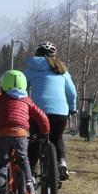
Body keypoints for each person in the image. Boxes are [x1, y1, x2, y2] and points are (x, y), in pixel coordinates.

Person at [0, 70, 50, 194]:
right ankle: (30, 185)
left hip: (3, 134)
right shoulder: (27, 101)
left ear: (4, 86)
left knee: (1, 165)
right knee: (23, 159)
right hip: (21, 134)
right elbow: (42, 117)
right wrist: (45, 132)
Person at [24, 41, 77, 180]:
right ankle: (61, 162)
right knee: (56, 137)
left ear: (37, 55)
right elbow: (72, 93)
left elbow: (21, 88)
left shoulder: (31, 69)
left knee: (35, 139)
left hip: (38, 111)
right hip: (60, 112)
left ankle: (30, 174)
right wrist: (72, 108)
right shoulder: (62, 70)